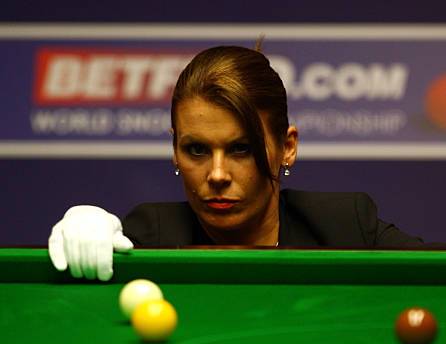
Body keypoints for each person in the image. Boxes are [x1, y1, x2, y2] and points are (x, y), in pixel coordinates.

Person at [48, 44, 443, 282]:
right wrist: (79, 237)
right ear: (175, 150)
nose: (217, 175)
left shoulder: (346, 225)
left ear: (287, 146)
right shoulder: (145, 239)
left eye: (241, 149)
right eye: (197, 150)